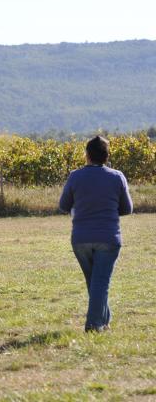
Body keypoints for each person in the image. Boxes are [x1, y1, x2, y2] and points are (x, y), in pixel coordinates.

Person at [59, 136, 133, 332]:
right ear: (107, 156)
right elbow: (127, 209)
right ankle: (94, 325)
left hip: (80, 238)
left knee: (95, 283)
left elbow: (63, 205)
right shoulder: (117, 176)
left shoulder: (75, 176)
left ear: (87, 155)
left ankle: (104, 319)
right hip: (108, 238)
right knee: (100, 282)